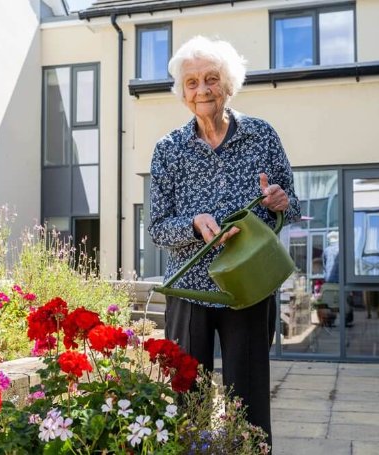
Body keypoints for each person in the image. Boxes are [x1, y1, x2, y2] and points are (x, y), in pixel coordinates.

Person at [148, 36, 301, 447]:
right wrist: (196, 225)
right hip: (190, 292)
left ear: (228, 84)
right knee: (187, 402)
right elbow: (157, 227)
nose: (202, 90)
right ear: (183, 93)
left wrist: (282, 202)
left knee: (249, 401)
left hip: (248, 290)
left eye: (211, 79)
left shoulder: (261, 136)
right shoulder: (168, 150)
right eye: (192, 82)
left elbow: (293, 206)